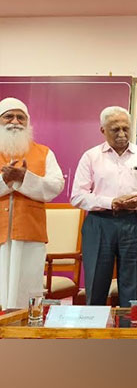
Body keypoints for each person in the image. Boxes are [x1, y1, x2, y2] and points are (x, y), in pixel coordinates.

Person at [71, 106, 137, 307]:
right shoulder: (91, 156)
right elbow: (77, 196)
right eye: (115, 129)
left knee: (133, 286)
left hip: (133, 222)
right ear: (103, 130)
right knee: (96, 284)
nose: (122, 134)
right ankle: (94, 334)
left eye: (125, 128)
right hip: (99, 223)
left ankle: (129, 333)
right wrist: (110, 202)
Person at [0, 98, 64, 309]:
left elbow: (55, 186)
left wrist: (24, 178)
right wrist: (6, 180)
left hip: (30, 233)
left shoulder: (44, 152)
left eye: (21, 117)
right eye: (9, 116)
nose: (15, 121)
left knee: (26, 290)